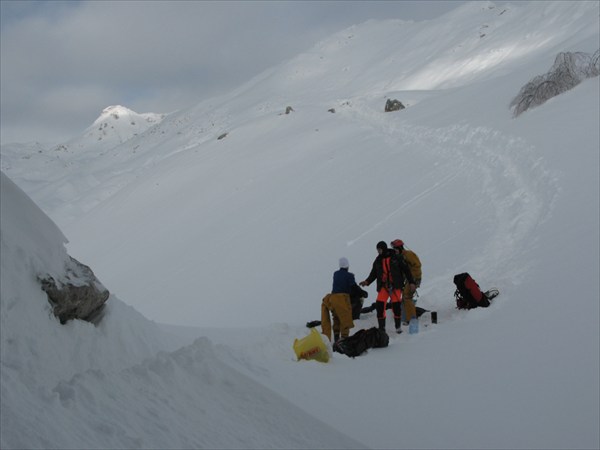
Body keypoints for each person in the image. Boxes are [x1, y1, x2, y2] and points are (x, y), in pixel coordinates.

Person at [360, 241, 415, 333]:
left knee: (396, 307)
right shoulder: (378, 260)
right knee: (380, 305)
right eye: (377, 250)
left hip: (396, 286)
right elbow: (373, 273)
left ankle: (398, 327)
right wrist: (367, 281)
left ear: (384, 248)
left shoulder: (397, 257)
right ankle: (382, 328)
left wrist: (412, 282)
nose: (378, 251)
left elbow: (406, 270)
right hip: (384, 286)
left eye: (379, 249)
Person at [321, 257, 355, 343]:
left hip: (332, 299)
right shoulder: (350, 276)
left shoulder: (335, 274)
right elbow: (354, 287)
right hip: (342, 298)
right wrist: (363, 293)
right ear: (347, 266)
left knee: (336, 317)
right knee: (345, 319)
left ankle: (336, 338)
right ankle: (344, 340)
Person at [390, 239, 422, 324]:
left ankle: (411, 319)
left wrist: (414, 280)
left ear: (400, 247)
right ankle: (411, 318)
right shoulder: (401, 256)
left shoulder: (408, 254)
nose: (395, 250)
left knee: (407, 297)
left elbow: (417, 265)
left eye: (396, 248)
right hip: (410, 279)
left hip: (413, 279)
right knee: (406, 297)